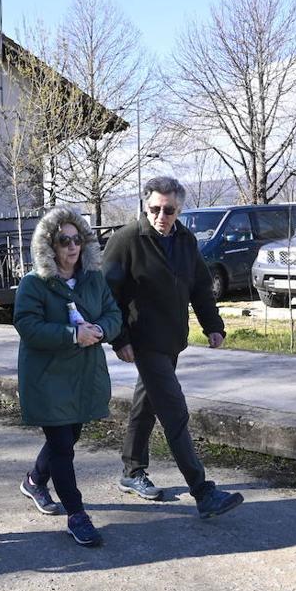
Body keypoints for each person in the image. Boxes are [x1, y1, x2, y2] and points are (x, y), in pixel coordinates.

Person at [102, 176, 243, 519]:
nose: (161, 215)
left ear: (179, 209)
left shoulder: (184, 239)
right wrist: (119, 339)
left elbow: (199, 286)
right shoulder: (126, 241)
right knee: (175, 412)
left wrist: (213, 325)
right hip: (143, 341)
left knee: (147, 404)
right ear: (145, 206)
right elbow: (107, 295)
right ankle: (202, 491)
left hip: (173, 340)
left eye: (169, 209)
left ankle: (131, 471)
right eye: (155, 208)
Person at [14, 206, 122, 547]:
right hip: (48, 378)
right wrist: (72, 335)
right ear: (50, 245)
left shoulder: (94, 279)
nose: (72, 247)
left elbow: (113, 314)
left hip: (83, 376)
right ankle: (77, 514)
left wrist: (102, 330)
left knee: (68, 437)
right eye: (64, 240)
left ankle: (34, 480)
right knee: (62, 446)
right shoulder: (34, 284)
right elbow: (27, 326)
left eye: (78, 239)